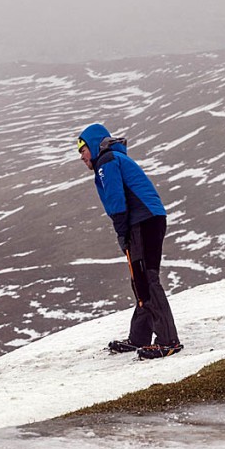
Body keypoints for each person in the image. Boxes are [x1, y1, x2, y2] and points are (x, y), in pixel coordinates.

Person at [76, 123, 183, 359]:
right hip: (147, 219)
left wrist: (122, 232)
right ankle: (139, 337)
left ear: (93, 144)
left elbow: (116, 199)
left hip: (142, 221)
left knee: (146, 279)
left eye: (82, 149)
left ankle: (168, 340)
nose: (81, 156)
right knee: (140, 279)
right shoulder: (111, 159)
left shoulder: (106, 161)